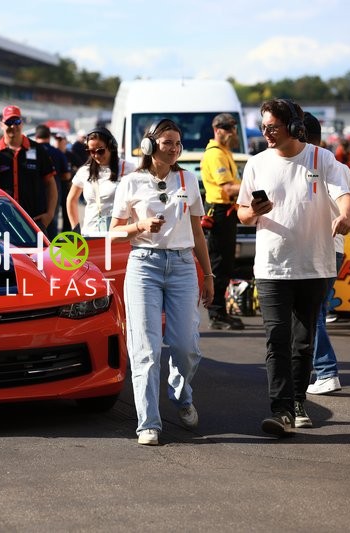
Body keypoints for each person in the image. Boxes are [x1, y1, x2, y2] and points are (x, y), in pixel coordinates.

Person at [237, 99, 350, 437]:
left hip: (315, 265)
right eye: (263, 127)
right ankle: (281, 410)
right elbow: (242, 213)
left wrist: (346, 215)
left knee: (303, 341)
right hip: (271, 267)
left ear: (293, 127)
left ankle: (299, 402)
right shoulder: (256, 163)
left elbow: (343, 193)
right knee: (277, 339)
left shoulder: (321, 158)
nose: (266, 133)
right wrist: (254, 211)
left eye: (272, 127)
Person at [109, 118, 214, 446]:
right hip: (144, 266)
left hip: (182, 266)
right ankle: (148, 423)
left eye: (178, 143)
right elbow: (114, 232)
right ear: (150, 145)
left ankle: (181, 394)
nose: (174, 149)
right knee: (145, 349)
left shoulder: (188, 179)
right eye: (168, 142)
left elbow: (197, 232)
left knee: (186, 347)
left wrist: (208, 273)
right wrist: (139, 226)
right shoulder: (131, 182)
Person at [303, 112, 348, 395]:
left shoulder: (321, 166)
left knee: (311, 313)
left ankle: (326, 370)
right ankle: (316, 368)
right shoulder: (339, 167)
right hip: (333, 248)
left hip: (322, 248)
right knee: (313, 311)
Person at [0, 105, 57, 231]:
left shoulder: (38, 150)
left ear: (22, 124)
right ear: (1, 125)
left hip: (34, 222)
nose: (13, 126)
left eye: (16, 122)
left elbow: (51, 184)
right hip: (1, 222)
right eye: (9, 122)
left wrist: (50, 214)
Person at [200, 113, 245, 330]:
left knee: (226, 264)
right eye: (229, 129)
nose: (233, 133)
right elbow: (227, 188)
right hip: (219, 213)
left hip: (226, 212)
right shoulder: (215, 154)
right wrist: (252, 186)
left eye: (234, 129)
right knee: (219, 263)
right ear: (217, 130)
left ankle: (221, 311)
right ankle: (216, 313)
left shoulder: (224, 152)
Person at [66, 127, 135, 236]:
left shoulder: (129, 168)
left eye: (100, 151)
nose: (96, 155)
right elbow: (71, 199)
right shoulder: (85, 171)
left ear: (111, 146)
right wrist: (76, 229)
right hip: (90, 234)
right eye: (91, 151)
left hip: (119, 236)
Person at [34, 125, 71, 238]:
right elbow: (67, 175)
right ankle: (51, 246)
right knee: (52, 221)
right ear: (49, 136)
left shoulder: (31, 151)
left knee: (31, 222)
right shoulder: (57, 153)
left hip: (33, 193)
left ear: (36, 136)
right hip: (53, 192)